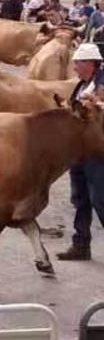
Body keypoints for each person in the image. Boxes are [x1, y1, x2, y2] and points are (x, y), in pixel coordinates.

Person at [57, 43, 104, 261]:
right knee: (80, 198)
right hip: (80, 153)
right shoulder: (82, 85)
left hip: (97, 152)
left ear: (91, 63)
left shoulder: (101, 84)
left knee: (100, 199)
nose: (75, 67)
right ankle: (81, 245)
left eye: (78, 63)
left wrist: (98, 103)